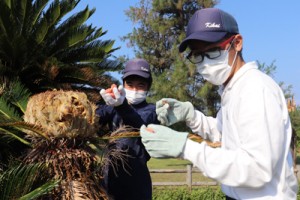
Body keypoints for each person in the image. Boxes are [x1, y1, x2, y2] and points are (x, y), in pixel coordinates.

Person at [140, 8, 298, 199]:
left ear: (237, 43)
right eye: (197, 55)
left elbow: (257, 168)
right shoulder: (232, 90)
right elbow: (228, 135)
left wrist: (186, 147)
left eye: (213, 50)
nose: (205, 62)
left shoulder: (256, 89)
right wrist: (192, 116)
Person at [96, 58, 159, 200]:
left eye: (140, 85)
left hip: (136, 180)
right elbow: (95, 118)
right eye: (130, 85)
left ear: (148, 87)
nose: (135, 90)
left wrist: (122, 106)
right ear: (123, 85)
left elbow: (141, 125)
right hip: (109, 176)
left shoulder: (152, 111)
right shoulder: (113, 106)